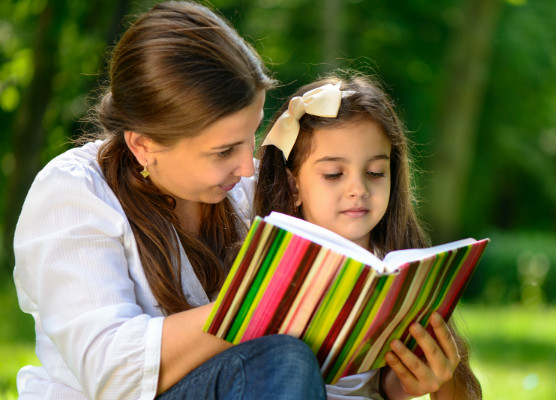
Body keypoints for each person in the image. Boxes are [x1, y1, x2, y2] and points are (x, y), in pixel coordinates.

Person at [13, 2, 379, 399]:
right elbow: (112, 373)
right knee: (281, 358)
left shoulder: (248, 191)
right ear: (143, 145)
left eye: (252, 135)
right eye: (223, 151)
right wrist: (259, 303)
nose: (247, 166)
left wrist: (395, 381)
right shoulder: (74, 193)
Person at [254, 74, 483, 399]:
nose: (358, 189)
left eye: (375, 172)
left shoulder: (403, 267)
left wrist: (420, 380)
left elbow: (455, 391)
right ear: (293, 187)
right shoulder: (261, 259)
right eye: (334, 174)